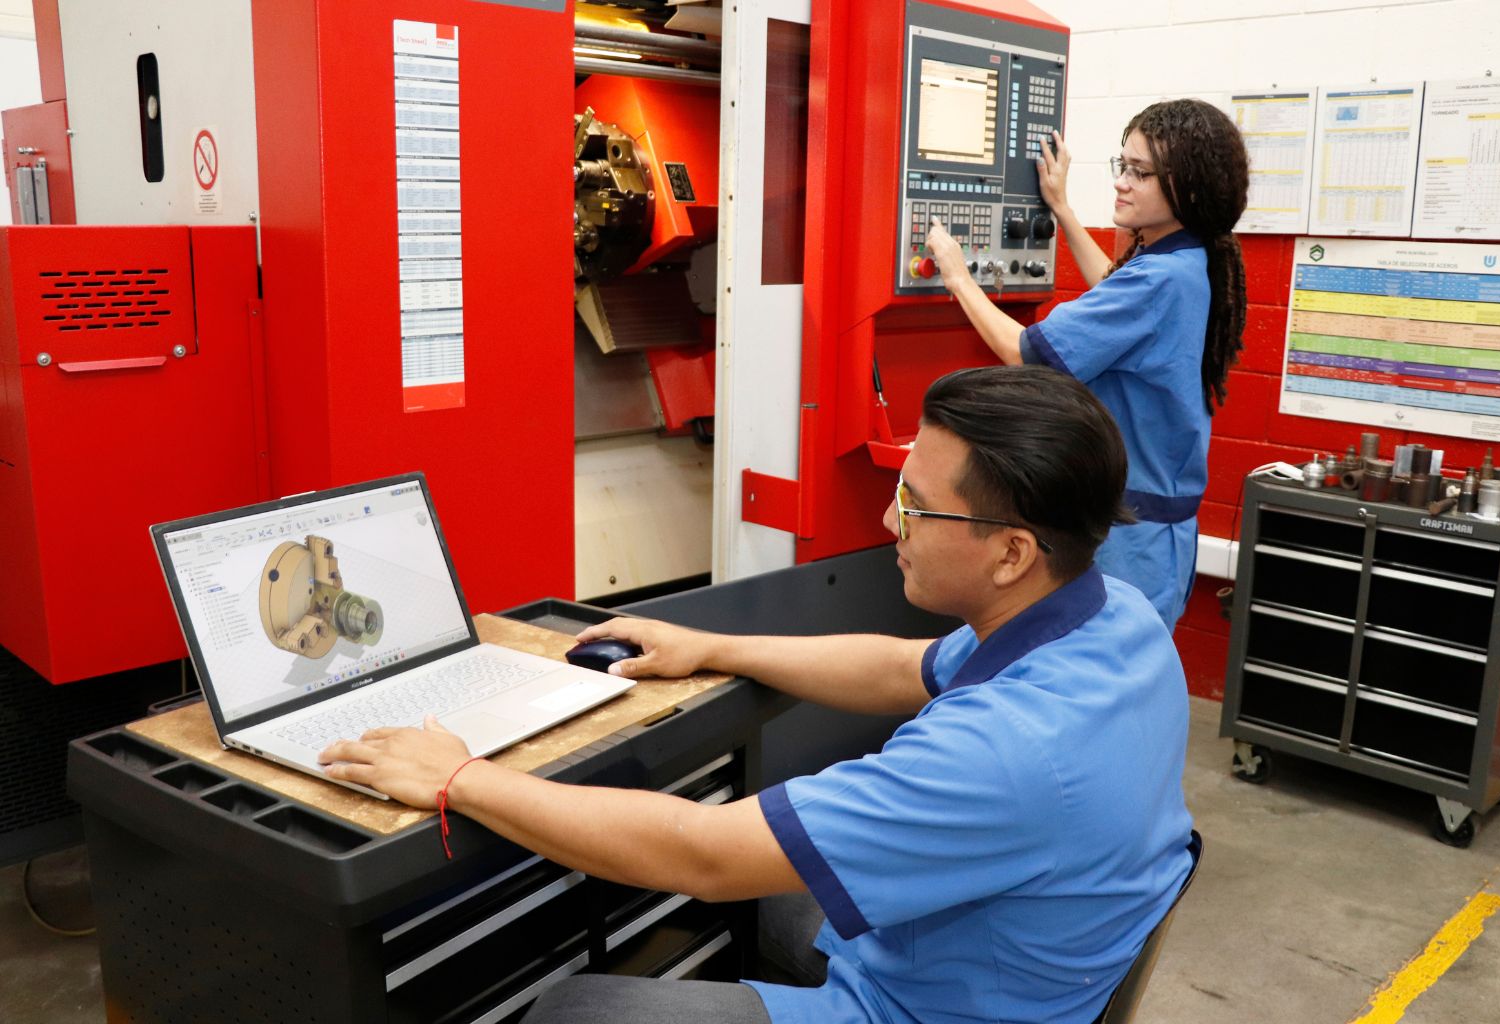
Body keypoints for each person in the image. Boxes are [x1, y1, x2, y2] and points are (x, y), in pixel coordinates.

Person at [319, 365, 1195, 1024]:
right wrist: (714, 645)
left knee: (577, 1011)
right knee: (769, 894)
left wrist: (461, 777)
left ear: (1011, 553)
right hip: (1022, 964)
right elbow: (906, 668)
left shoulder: (1004, 752)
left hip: (923, 1010)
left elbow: (702, 850)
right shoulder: (1112, 617)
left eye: (918, 508)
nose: (891, 523)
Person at [926, 98, 1250, 630]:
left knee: (1106, 676)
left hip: (1131, 538)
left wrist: (958, 274)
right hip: (1158, 531)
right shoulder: (1190, 261)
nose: (1123, 182)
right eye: (1122, 165)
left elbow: (1025, 351)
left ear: (1188, 186)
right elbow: (1112, 285)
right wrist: (1063, 209)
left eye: (1140, 172)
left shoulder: (1158, 280)